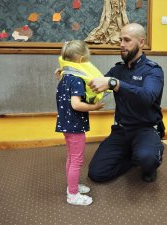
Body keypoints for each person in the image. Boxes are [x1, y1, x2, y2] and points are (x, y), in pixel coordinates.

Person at [87, 23, 165, 183]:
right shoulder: (117, 70)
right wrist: (70, 75)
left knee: (146, 159)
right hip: (121, 131)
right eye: (120, 40)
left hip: (146, 129)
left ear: (141, 42)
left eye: (127, 40)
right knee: (97, 174)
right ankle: (133, 157)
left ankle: (150, 158)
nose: (121, 45)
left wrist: (116, 84)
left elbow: (147, 96)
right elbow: (97, 85)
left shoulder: (153, 71)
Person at [55, 40, 105, 206]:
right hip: (75, 126)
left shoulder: (63, 76)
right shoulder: (76, 79)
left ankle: (72, 186)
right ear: (81, 59)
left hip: (66, 124)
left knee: (71, 157)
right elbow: (76, 104)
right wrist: (95, 106)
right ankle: (73, 195)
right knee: (77, 160)